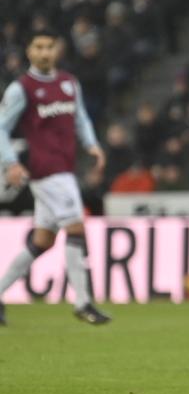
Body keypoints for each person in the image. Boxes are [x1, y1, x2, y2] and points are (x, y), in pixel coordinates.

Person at [0, 29, 109, 326]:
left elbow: (81, 117)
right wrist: (10, 163)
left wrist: (92, 145)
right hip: (47, 172)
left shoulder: (68, 84)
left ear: (56, 50)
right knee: (75, 228)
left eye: (50, 46)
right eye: (39, 47)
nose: (45, 52)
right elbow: (1, 128)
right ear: (29, 52)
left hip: (64, 168)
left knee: (43, 241)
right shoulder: (21, 88)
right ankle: (83, 302)